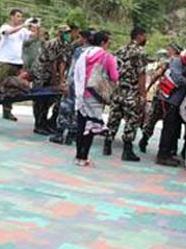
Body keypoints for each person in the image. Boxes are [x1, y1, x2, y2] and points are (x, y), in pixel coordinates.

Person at [73, 31, 118, 166]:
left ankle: (77, 156)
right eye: (107, 42)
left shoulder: (84, 53)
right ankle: (84, 157)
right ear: (103, 43)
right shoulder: (107, 57)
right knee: (92, 127)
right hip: (95, 95)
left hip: (82, 93)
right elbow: (115, 77)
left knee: (81, 125)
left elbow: (76, 73)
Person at [105, 26, 149, 162]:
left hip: (119, 90)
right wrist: (143, 95)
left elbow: (113, 71)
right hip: (132, 92)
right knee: (131, 120)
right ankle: (127, 150)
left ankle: (107, 145)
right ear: (139, 36)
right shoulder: (140, 52)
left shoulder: (121, 51)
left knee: (114, 117)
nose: (146, 38)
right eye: (145, 35)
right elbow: (141, 74)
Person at [0, 9, 36, 121]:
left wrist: (36, 26)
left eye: (21, 16)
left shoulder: (23, 31)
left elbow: (33, 36)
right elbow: (8, 32)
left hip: (17, 63)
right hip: (4, 62)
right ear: (11, 17)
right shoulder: (5, 27)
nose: (20, 18)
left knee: (13, 89)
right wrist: (24, 25)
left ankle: (7, 111)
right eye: (18, 16)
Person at [155, 44, 186, 167]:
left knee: (173, 128)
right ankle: (162, 155)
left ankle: (167, 153)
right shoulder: (177, 62)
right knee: (168, 128)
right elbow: (178, 79)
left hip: (176, 100)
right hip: (169, 99)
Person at [49, 29, 93, 145]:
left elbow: (73, 68)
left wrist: (66, 82)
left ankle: (59, 134)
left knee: (65, 107)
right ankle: (71, 135)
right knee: (78, 109)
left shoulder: (79, 51)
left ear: (84, 39)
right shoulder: (96, 53)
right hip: (86, 86)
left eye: (80, 38)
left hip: (74, 83)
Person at [138, 43, 181, 153]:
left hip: (161, 95)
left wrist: (148, 89)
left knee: (152, 119)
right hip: (174, 99)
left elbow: (157, 75)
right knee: (172, 124)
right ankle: (172, 148)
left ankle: (144, 140)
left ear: (174, 50)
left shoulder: (168, 62)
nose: (168, 51)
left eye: (170, 49)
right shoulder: (182, 63)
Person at [31, 25, 71, 135]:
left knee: (49, 98)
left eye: (68, 33)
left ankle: (45, 123)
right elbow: (52, 63)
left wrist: (61, 79)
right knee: (39, 98)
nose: (67, 35)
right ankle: (38, 124)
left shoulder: (66, 45)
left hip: (50, 73)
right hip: (41, 72)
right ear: (59, 34)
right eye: (65, 33)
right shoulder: (51, 43)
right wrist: (55, 79)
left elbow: (62, 62)